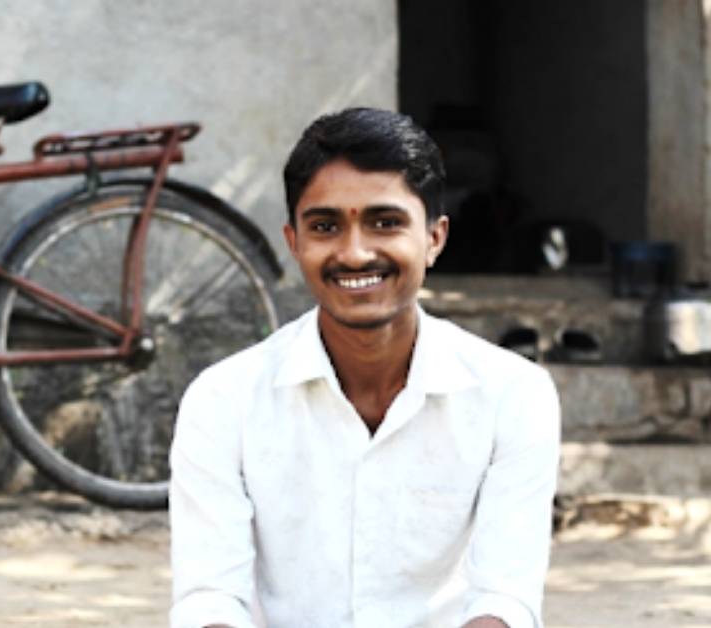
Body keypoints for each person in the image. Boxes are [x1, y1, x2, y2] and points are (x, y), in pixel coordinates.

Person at [168, 108, 560, 628]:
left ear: (434, 239)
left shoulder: (513, 393)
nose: (354, 253)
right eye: (326, 226)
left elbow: (504, 600)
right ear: (295, 243)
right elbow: (210, 599)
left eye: (385, 222)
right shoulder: (223, 399)